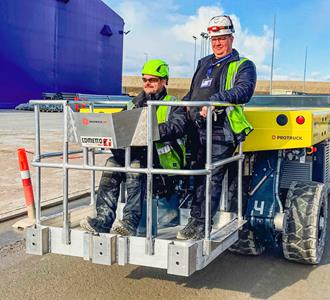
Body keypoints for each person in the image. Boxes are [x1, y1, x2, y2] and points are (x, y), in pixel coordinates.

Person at [80, 59, 188, 236]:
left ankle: (129, 222)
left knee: (136, 165)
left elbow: (178, 126)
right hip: (137, 155)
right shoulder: (133, 104)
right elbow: (118, 125)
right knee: (112, 163)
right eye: (145, 79)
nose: (147, 83)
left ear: (164, 81)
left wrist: (149, 131)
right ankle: (103, 220)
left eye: (153, 79)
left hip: (163, 163)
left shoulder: (173, 104)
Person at [176, 15, 257, 240]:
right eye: (214, 39)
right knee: (196, 174)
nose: (217, 43)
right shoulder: (204, 63)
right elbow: (193, 93)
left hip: (221, 129)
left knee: (211, 175)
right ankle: (194, 218)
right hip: (196, 128)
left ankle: (201, 225)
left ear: (231, 38)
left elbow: (244, 91)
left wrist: (215, 101)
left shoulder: (243, 65)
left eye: (222, 38)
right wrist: (180, 107)